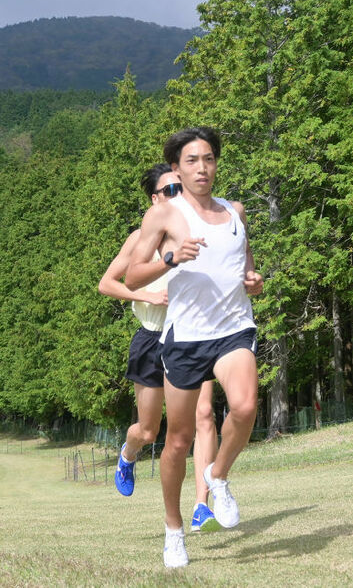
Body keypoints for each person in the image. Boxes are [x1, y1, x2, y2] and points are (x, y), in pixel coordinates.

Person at [126, 127, 264, 568]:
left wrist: (255, 284)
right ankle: (173, 530)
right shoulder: (164, 217)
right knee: (177, 441)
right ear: (176, 168)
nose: (202, 168)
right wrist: (171, 258)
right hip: (185, 339)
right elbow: (131, 278)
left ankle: (217, 476)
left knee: (243, 408)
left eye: (208, 159)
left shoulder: (235, 211)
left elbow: (248, 272)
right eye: (191, 161)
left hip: (233, 329)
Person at [97, 163, 221, 534]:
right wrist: (147, 294)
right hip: (151, 338)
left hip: (191, 335)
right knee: (149, 431)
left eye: (179, 188)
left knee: (204, 418)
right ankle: (128, 454)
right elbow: (107, 283)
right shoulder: (140, 238)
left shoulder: (200, 231)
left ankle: (202, 507)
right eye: (169, 191)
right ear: (154, 199)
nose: (177, 196)